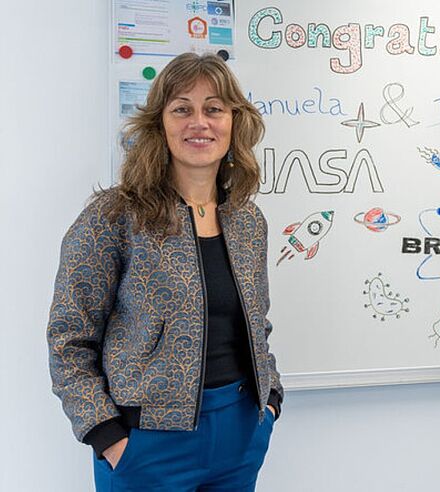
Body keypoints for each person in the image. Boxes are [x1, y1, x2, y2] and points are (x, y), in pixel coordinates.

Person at [47, 52, 283, 491]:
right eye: (182, 109)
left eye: (214, 108)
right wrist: (107, 436)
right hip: (145, 443)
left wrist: (269, 402)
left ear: (234, 122)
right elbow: (69, 339)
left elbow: (257, 324)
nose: (200, 122)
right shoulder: (114, 216)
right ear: (160, 124)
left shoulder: (248, 222)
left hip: (239, 434)